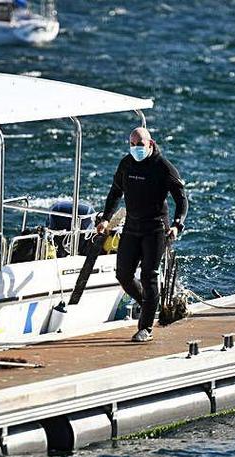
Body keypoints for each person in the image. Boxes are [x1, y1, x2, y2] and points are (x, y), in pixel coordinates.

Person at [97, 127, 188, 342]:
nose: (135, 148)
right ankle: (149, 303)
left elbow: (182, 199)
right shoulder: (126, 163)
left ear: (151, 144)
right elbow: (115, 192)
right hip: (132, 227)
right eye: (132, 144)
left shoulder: (163, 167)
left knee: (149, 276)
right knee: (123, 275)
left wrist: (177, 225)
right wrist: (105, 218)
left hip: (156, 229)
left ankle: (145, 327)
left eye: (140, 145)